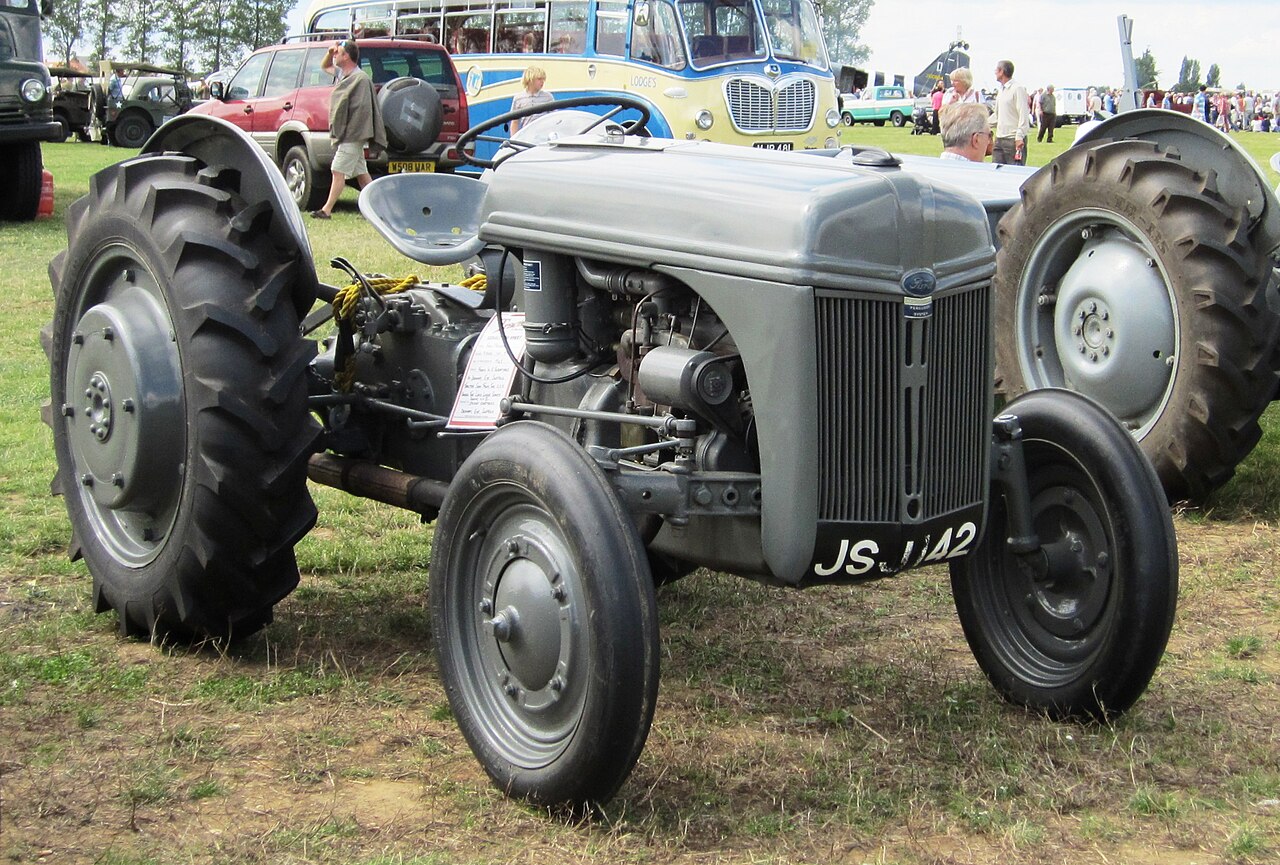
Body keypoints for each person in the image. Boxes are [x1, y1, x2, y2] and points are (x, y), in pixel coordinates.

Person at [311, 40, 386, 219]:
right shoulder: (342, 74)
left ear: (347, 56)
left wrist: (349, 132)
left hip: (353, 134)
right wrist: (330, 53)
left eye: (339, 53)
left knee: (338, 170)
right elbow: (325, 66)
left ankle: (326, 210)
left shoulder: (360, 79)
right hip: (349, 134)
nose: (335, 55)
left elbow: (362, 112)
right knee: (362, 173)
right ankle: (379, 210)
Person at [991, 59, 1029, 165]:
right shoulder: (1001, 90)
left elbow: (1023, 114)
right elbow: (997, 115)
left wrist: (1019, 136)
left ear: (1002, 71)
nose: (995, 72)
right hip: (999, 139)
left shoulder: (1017, 89)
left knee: (1014, 172)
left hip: (1013, 140)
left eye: (996, 70)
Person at [509, 65, 553, 134]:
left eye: (543, 79)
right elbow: (515, 122)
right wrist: (513, 139)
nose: (542, 82)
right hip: (527, 136)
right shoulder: (519, 98)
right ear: (530, 79)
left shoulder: (548, 97)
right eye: (539, 79)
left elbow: (553, 118)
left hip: (543, 136)